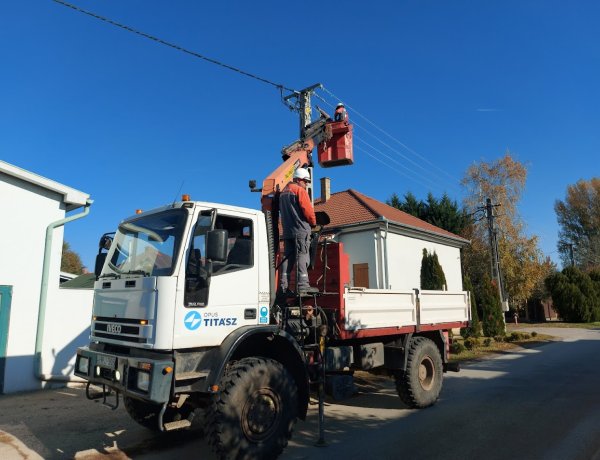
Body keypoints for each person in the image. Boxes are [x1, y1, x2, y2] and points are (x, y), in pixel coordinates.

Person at [279, 167, 318, 295]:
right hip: (300, 230)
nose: (306, 184)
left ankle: (283, 286)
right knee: (302, 255)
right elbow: (308, 211)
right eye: (305, 181)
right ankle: (303, 285)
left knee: (287, 257)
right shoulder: (299, 191)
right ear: (299, 179)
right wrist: (313, 223)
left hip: (287, 232)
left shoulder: (283, 193)